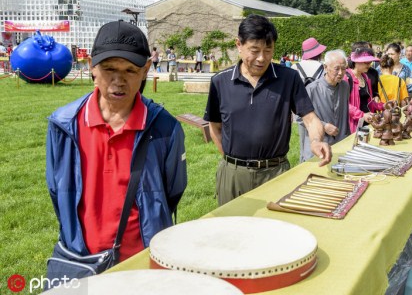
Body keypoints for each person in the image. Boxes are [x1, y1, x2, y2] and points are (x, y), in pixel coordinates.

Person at [45, 21, 187, 269]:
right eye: (109, 68)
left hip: (143, 260)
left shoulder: (165, 128)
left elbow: (172, 192)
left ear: (146, 70)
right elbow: (57, 191)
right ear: (91, 67)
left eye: (130, 70)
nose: (118, 80)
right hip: (80, 260)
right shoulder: (64, 124)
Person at [204, 15, 331, 205]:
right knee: (232, 230)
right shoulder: (220, 82)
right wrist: (233, 162)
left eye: (268, 50)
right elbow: (215, 127)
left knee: (276, 230)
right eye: (254, 50)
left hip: (276, 172)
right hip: (233, 175)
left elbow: (311, 119)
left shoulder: (288, 78)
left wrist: (315, 141)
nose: (262, 58)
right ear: (239, 45)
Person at [298, 50, 350, 162]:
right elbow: (300, 118)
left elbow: (345, 115)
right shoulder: (311, 89)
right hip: (318, 146)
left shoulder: (345, 87)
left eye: (344, 68)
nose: (341, 73)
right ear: (325, 67)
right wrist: (324, 126)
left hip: (340, 144)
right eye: (337, 69)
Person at [345, 47, 383, 133]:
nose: (369, 65)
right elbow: (344, 104)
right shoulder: (346, 78)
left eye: (370, 62)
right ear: (356, 62)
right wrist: (361, 115)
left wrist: (382, 106)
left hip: (367, 121)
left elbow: (369, 102)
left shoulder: (365, 77)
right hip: (352, 124)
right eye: (366, 62)